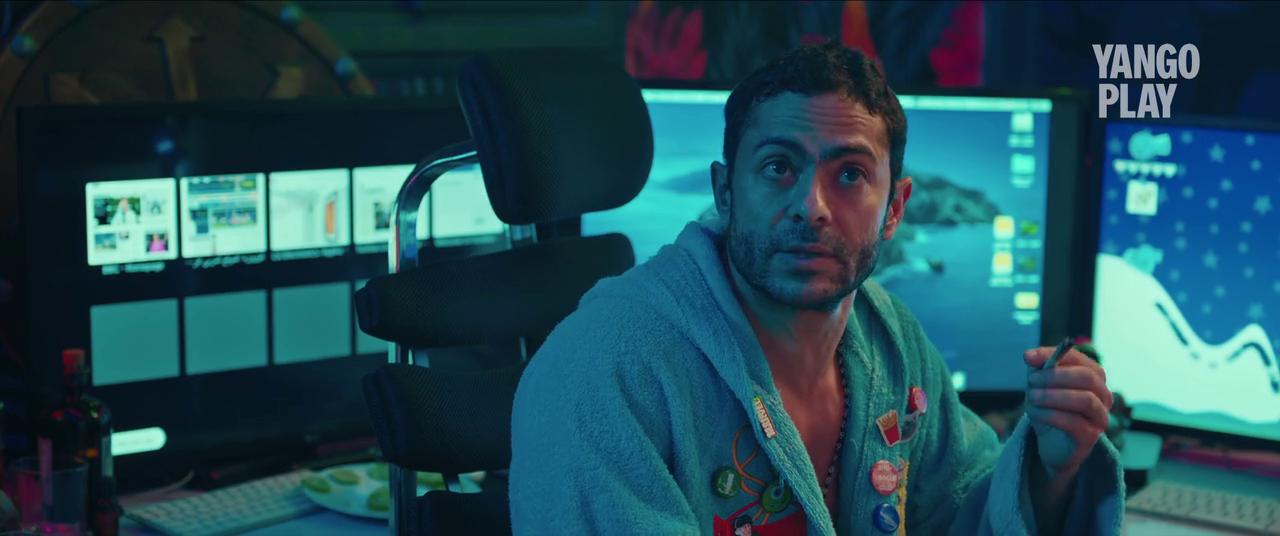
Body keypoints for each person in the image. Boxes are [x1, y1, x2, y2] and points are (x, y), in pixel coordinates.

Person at [510, 41, 1122, 535]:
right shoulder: (606, 369)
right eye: (778, 167)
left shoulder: (892, 341)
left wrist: (1054, 465)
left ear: (895, 209)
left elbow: (963, 512)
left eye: (850, 174)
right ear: (725, 192)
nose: (812, 207)